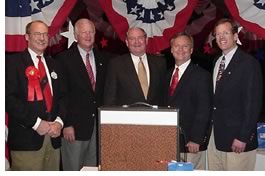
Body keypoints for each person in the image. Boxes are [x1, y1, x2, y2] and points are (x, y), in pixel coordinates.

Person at [5, 20, 66, 170]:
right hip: (26, 139)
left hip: (54, 138)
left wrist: (59, 122)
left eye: (45, 34)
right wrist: (36, 123)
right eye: (37, 34)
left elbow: (64, 97)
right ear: (27, 37)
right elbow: (8, 99)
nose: (42, 38)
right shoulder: (12, 63)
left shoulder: (55, 64)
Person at [207, 18, 263, 170]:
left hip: (237, 141)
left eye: (226, 33)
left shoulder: (249, 63)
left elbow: (253, 103)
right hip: (215, 139)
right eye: (218, 34)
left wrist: (243, 137)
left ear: (235, 36)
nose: (221, 37)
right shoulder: (217, 61)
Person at [56, 18, 109, 170]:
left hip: (97, 128)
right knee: (73, 168)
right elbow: (61, 94)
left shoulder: (104, 59)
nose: (88, 35)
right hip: (73, 129)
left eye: (91, 31)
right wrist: (66, 124)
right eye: (83, 32)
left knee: (92, 169)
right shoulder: (63, 59)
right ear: (76, 35)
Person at [164, 32, 212, 170]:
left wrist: (196, 139)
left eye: (185, 46)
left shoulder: (202, 75)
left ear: (191, 50)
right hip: (170, 142)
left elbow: (204, 109)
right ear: (171, 49)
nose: (180, 49)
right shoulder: (167, 75)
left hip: (191, 144)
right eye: (177, 46)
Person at [104, 27, 166, 106]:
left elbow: (163, 95)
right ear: (127, 42)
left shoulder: (160, 63)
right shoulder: (116, 64)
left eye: (140, 38)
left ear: (146, 40)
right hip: (126, 117)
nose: (136, 42)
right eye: (132, 39)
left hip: (155, 116)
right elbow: (110, 98)